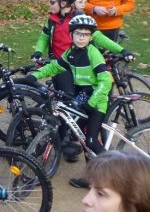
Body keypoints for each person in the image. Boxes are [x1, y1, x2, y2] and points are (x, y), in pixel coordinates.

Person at [26, 15, 112, 176]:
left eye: (86, 34)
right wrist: (35, 75)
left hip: (96, 101)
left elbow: (106, 81)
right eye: (78, 33)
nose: (81, 37)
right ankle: (90, 177)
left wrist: (92, 102)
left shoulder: (93, 53)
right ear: (71, 35)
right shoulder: (71, 52)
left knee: (91, 141)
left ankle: (118, 170)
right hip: (82, 97)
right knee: (80, 136)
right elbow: (55, 66)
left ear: (91, 36)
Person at [31, 0, 132, 95]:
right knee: (67, 98)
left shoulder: (79, 19)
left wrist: (121, 50)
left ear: (63, 3)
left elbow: (98, 37)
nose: (49, 5)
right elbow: (44, 37)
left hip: (80, 65)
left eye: (52, 2)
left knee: (85, 98)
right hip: (61, 65)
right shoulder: (51, 20)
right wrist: (38, 52)